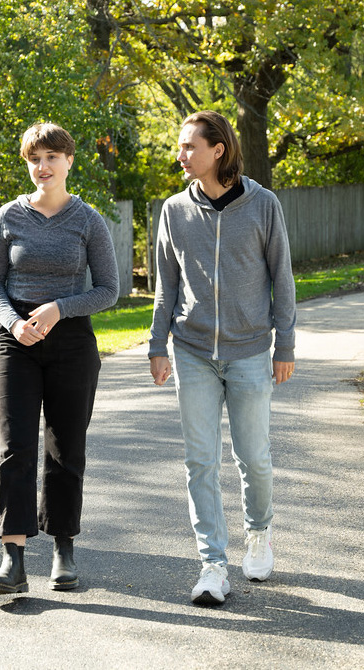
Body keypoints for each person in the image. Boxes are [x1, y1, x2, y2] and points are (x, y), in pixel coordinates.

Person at [149, 111, 296, 606]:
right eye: (180, 145)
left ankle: (259, 532)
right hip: (191, 351)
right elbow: (165, 285)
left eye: (190, 146)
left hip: (251, 350)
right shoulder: (173, 210)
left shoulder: (262, 205)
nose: (181, 154)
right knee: (200, 461)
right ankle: (212, 563)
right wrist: (155, 344)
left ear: (218, 150)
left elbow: (283, 278)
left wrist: (285, 345)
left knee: (253, 457)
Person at [0, 122, 119, 594]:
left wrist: (61, 308)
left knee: (65, 448)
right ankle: (12, 558)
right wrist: (13, 322)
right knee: (13, 447)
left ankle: (64, 549)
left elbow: (109, 290)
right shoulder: (9, 217)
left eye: (51, 158)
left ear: (69, 161)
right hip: (15, 341)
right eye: (34, 159)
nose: (42, 167)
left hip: (72, 341)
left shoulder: (88, 219)